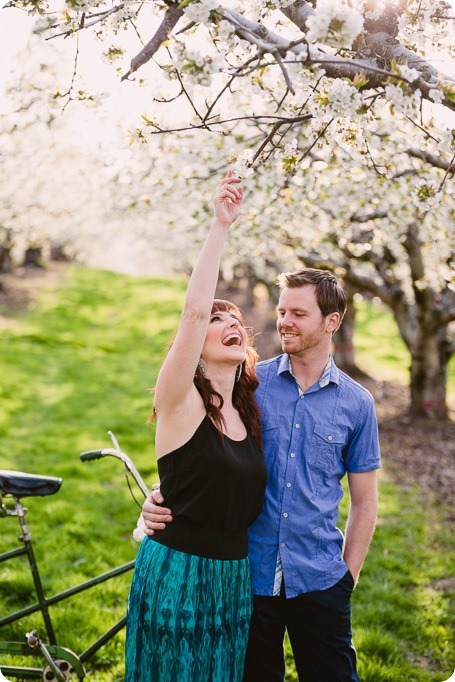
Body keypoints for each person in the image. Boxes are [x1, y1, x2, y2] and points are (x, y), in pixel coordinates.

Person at [143, 264, 381, 681]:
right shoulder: (250, 385)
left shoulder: (358, 405)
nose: (284, 322)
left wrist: (347, 578)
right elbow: (202, 450)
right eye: (282, 311)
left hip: (321, 579)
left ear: (332, 322)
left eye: (298, 314)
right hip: (247, 580)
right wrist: (163, 495)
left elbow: (364, 502)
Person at [125, 171, 268, 682]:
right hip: (178, 576)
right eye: (216, 320)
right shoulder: (181, 400)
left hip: (232, 581)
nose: (229, 323)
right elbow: (191, 312)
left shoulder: (251, 411)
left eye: (236, 321)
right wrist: (220, 227)